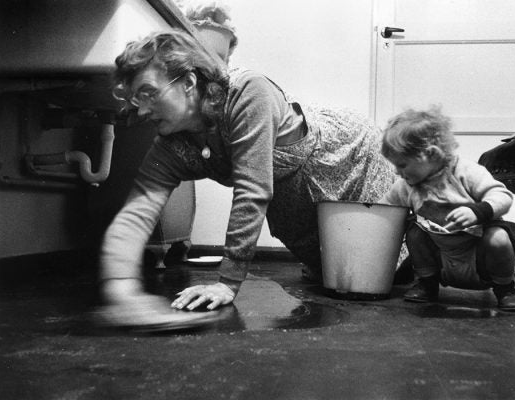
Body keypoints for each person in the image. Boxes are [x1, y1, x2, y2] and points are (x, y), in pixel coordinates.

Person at [99, 29, 397, 326]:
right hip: (291, 191)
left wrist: (227, 283)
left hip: (344, 156)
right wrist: (122, 289)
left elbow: (251, 190)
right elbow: (136, 213)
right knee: (335, 277)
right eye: (138, 98)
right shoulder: (171, 144)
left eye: (150, 92)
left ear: (189, 82)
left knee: (389, 271)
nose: (143, 110)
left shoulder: (246, 92)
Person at [380, 106, 515, 311]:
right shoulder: (406, 186)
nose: (397, 172)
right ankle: (427, 283)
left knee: (498, 238)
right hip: (440, 259)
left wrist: (477, 211)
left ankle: (505, 289)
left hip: (479, 255)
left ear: (429, 154)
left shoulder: (466, 171)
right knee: (415, 231)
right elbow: (384, 211)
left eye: (402, 165)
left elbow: (502, 196)